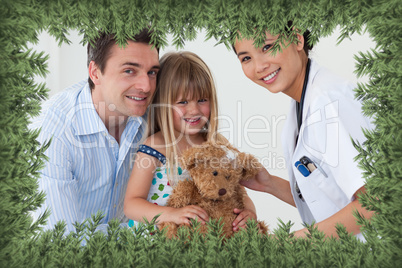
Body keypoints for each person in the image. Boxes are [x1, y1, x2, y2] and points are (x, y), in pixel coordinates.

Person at [233, 25, 375, 240]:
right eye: (246, 58)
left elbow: (376, 202)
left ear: (298, 40)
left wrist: (287, 242)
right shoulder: (302, 102)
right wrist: (269, 183)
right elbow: (330, 197)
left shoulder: (327, 101)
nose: (259, 66)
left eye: (268, 46)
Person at [30, 28, 160, 233]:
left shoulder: (154, 115)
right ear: (95, 73)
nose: (146, 86)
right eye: (129, 71)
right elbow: (61, 241)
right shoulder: (52, 129)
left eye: (152, 72)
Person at [124, 51, 257, 232]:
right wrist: (172, 214)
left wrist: (248, 211)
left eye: (202, 100)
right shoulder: (155, 146)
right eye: (183, 102)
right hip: (155, 243)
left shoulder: (216, 147)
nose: (194, 110)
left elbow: (238, 192)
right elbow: (131, 205)